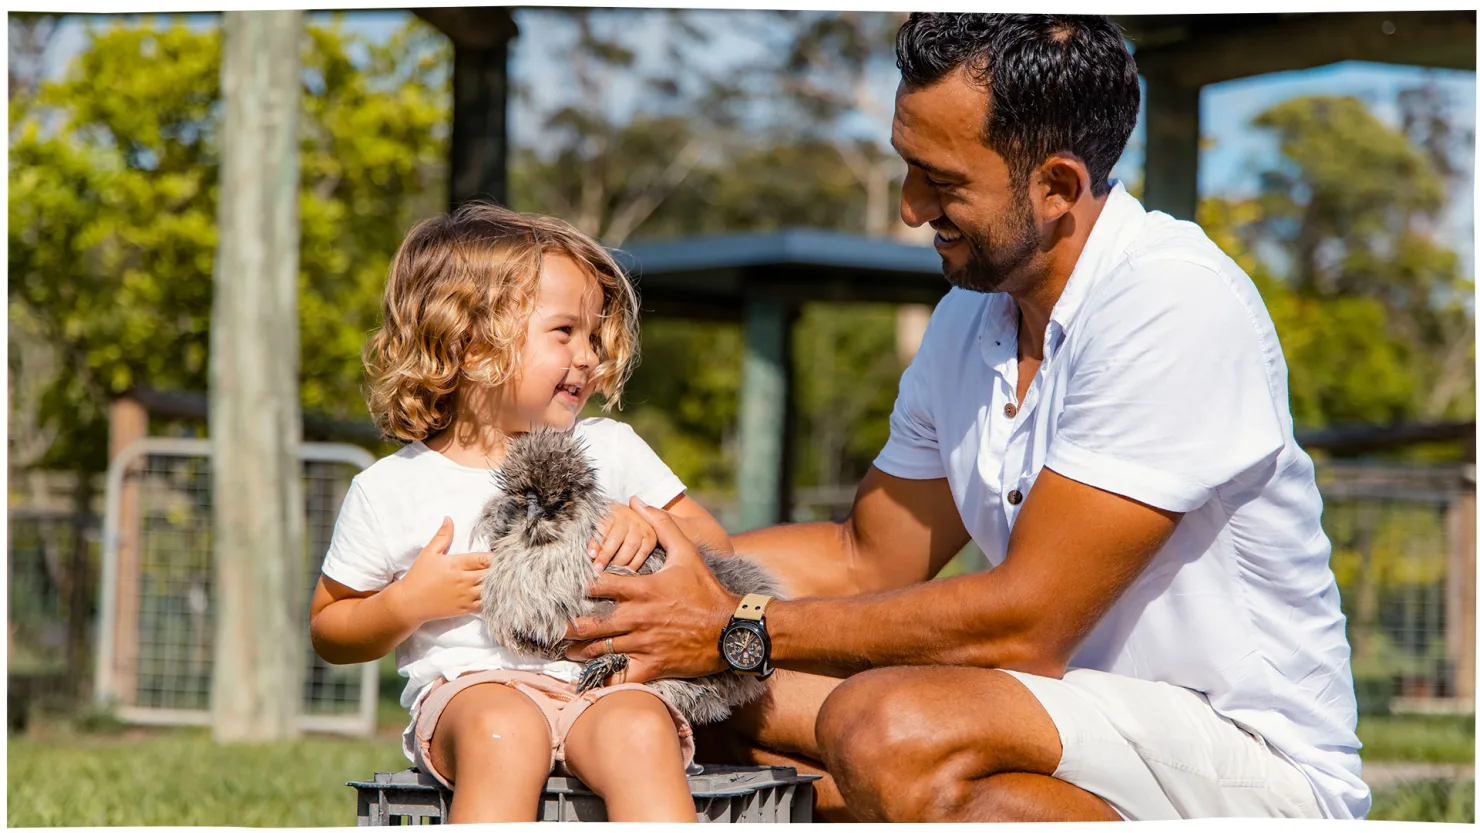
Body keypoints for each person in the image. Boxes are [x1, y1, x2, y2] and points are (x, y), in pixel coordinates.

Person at [561, 13, 1370, 823]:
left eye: (941, 181)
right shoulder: (968, 319)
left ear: (1056, 186)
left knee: (886, 723)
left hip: (1245, 761)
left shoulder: (1172, 301)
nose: (912, 208)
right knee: (704, 694)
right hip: (1048, 720)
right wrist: (639, 582)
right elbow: (863, 555)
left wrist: (738, 627)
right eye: (906, 168)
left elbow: (1026, 623)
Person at [308, 204, 733, 823]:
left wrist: (650, 524)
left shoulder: (609, 449)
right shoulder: (390, 488)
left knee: (642, 732)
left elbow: (713, 542)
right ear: (470, 341)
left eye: (593, 336)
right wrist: (408, 603)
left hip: (603, 686)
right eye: (564, 333)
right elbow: (330, 627)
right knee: (504, 732)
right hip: (473, 694)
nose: (587, 356)